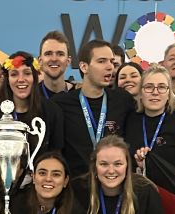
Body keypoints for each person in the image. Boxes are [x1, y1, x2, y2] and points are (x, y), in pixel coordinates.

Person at [53, 40, 130, 176]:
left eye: (112, 62)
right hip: (76, 185)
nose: (110, 67)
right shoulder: (61, 103)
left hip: (113, 182)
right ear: (84, 67)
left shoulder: (123, 100)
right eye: (102, 61)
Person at [0, 50, 63, 155]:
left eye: (27, 73)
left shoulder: (52, 111)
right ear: (7, 80)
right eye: (14, 74)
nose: (21, 79)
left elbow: (57, 154)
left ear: (34, 78)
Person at [124, 65, 175, 174]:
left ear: (169, 94)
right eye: (149, 87)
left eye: (161, 87)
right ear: (141, 93)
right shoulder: (128, 121)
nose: (155, 92)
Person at [37, 30, 76, 99]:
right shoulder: (31, 96)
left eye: (60, 54)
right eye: (48, 54)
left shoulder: (80, 95)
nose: (54, 59)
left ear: (68, 61)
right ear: (40, 61)